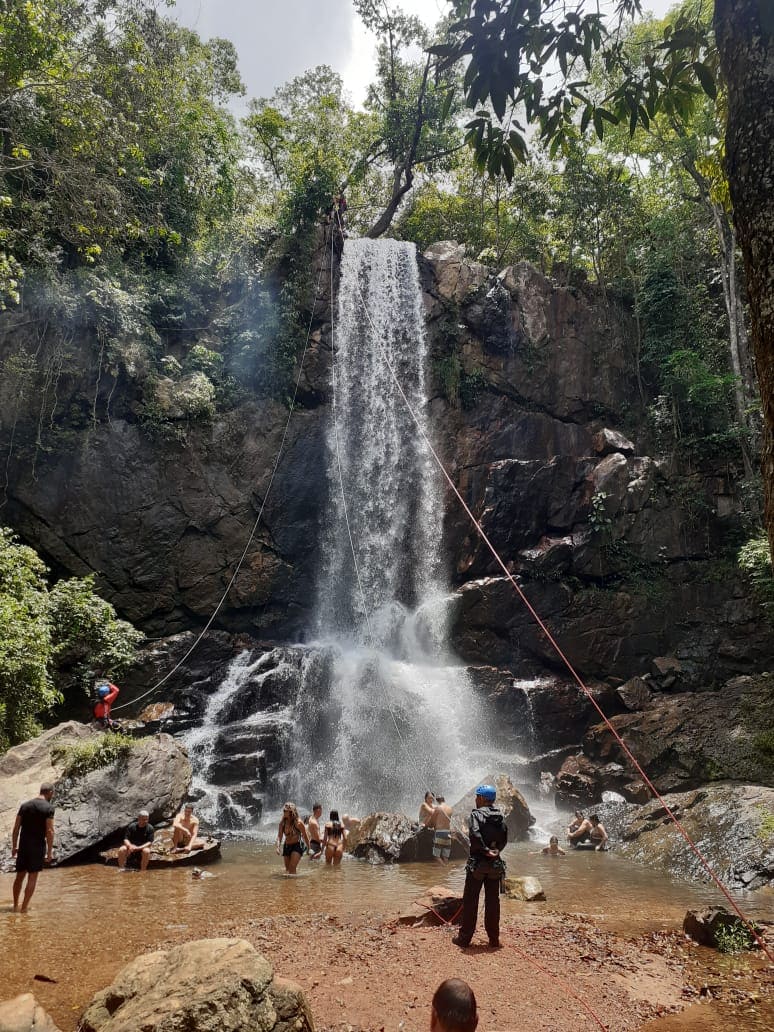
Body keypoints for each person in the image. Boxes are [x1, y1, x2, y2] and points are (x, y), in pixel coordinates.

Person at [453, 784, 507, 949]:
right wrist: (495, 851)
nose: (475, 800)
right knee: (493, 902)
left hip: (477, 864)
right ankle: (493, 939)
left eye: (477, 797)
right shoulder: (500, 816)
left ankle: (464, 938)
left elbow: (475, 835)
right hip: (495, 866)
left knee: (471, 901)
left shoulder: (476, 815)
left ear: (483, 798)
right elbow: (505, 837)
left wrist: (484, 851)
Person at [11, 783, 55, 913]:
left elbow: (16, 828)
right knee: (32, 877)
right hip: (37, 847)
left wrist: (14, 846)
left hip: (23, 846)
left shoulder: (25, 806)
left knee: (19, 877)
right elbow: (50, 831)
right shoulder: (49, 808)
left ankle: (15, 906)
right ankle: (24, 908)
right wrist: (49, 852)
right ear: (50, 792)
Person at [276, 802, 310, 875]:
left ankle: (294, 885)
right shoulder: (282, 823)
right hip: (287, 846)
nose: (284, 812)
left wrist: (308, 848)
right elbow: (279, 836)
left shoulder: (298, 823)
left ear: (291, 812)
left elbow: (305, 835)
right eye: (283, 811)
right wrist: (278, 847)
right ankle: (289, 885)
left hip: (297, 845)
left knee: (292, 867)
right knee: (288, 869)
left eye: (285, 811)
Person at [426, 794, 453, 865]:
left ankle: (444, 868)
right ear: (444, 800)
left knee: (436, 856)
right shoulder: (450, 808)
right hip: (448, 833)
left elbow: (431, 822)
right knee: (445, 857)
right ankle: (446, 873)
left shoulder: (438, 808)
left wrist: (426, 825)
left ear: (437, 801)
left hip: (440, 833)